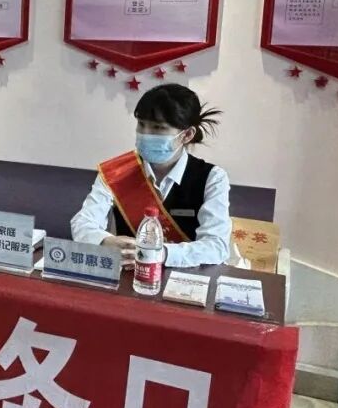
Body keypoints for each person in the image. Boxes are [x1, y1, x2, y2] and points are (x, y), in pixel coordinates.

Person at [70, 83, 230, 269]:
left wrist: (161, 253)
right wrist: (105, 241)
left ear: (187, 135)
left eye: (158, 128)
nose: (145, 134)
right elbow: (82, 222)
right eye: (141, 124)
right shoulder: (117, 172)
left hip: (187, 278)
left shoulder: (212, 178)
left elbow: (216, 246)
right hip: (130, 274)